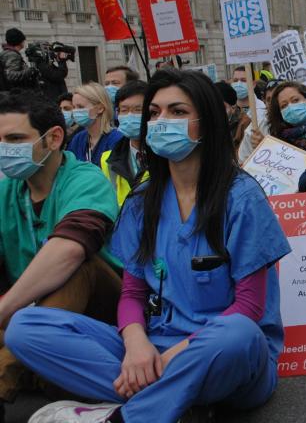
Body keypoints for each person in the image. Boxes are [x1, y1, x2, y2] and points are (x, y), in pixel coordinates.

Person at [7, 69, 291, 423]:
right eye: (154, 113)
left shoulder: (242, 197)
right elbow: (132, 294)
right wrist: (137, 345)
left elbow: (249, 306)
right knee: (25, 327)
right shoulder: (143, 199)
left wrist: (173, 359)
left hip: (223, 356)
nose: (161, 122)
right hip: (154, 346)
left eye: (177, 112)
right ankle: (176, 402)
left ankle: (126, 416)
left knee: (237, 335)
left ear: (206, 123)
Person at [0, 92, 122, 420]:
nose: (3, 149)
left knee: (76, 264)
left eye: (13, 138)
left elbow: (70, 248)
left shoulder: (85, 178)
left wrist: (4, 309)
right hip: (25, 312)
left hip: (101, 312)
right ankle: (33, 367)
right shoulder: (6, 191)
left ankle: (8, 373)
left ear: (53, 138)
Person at [101, 81, 149, 205]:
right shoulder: (108, 160)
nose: (130, 116)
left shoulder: (167, 156)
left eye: (138, 110)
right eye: (124, 110)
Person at [249, 81, 306, 154]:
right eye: (284, 105)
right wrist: (265, 147)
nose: (290, 107)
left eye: (295, 100)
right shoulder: (278, 140)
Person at [67, 83, 123, 165]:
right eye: (74, 107)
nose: (75, 112)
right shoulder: (78, 139)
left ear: (100, 108)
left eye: (80, 107)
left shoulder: (116, 139)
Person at [0, 28, 39, 94]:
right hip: (14, 95)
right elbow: (11, 76)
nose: (24, 42)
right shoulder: (12, 55)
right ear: (19, 41)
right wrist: (30, 71)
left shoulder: (6, 53)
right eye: (23, 40)